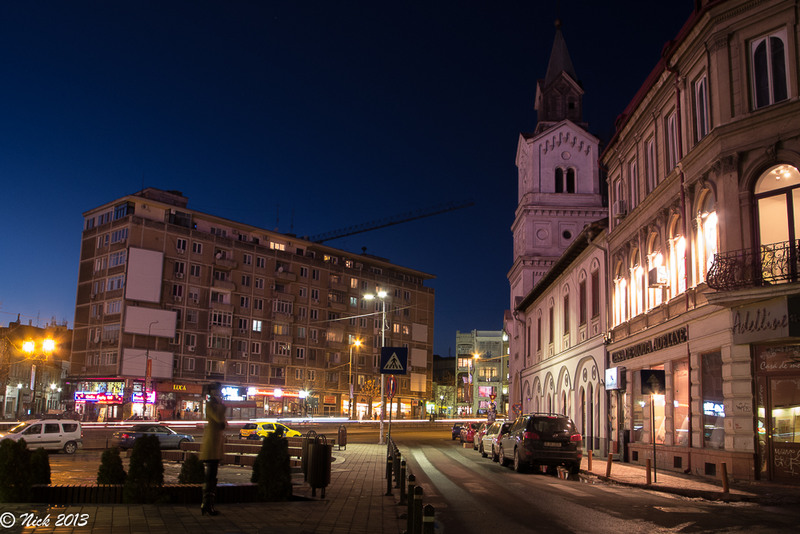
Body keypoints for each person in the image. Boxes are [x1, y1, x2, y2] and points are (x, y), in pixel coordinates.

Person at [199, 382, 227, 516]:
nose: (220, 393)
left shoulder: (215, 405)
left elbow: (222, 423)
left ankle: (208, 504)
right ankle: (206, 504)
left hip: (215, 446)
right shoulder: (211, 405)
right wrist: (222, 405)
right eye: (218, 391)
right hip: (211, 447)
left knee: (212, 477)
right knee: (210, 477)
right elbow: (219, 418)